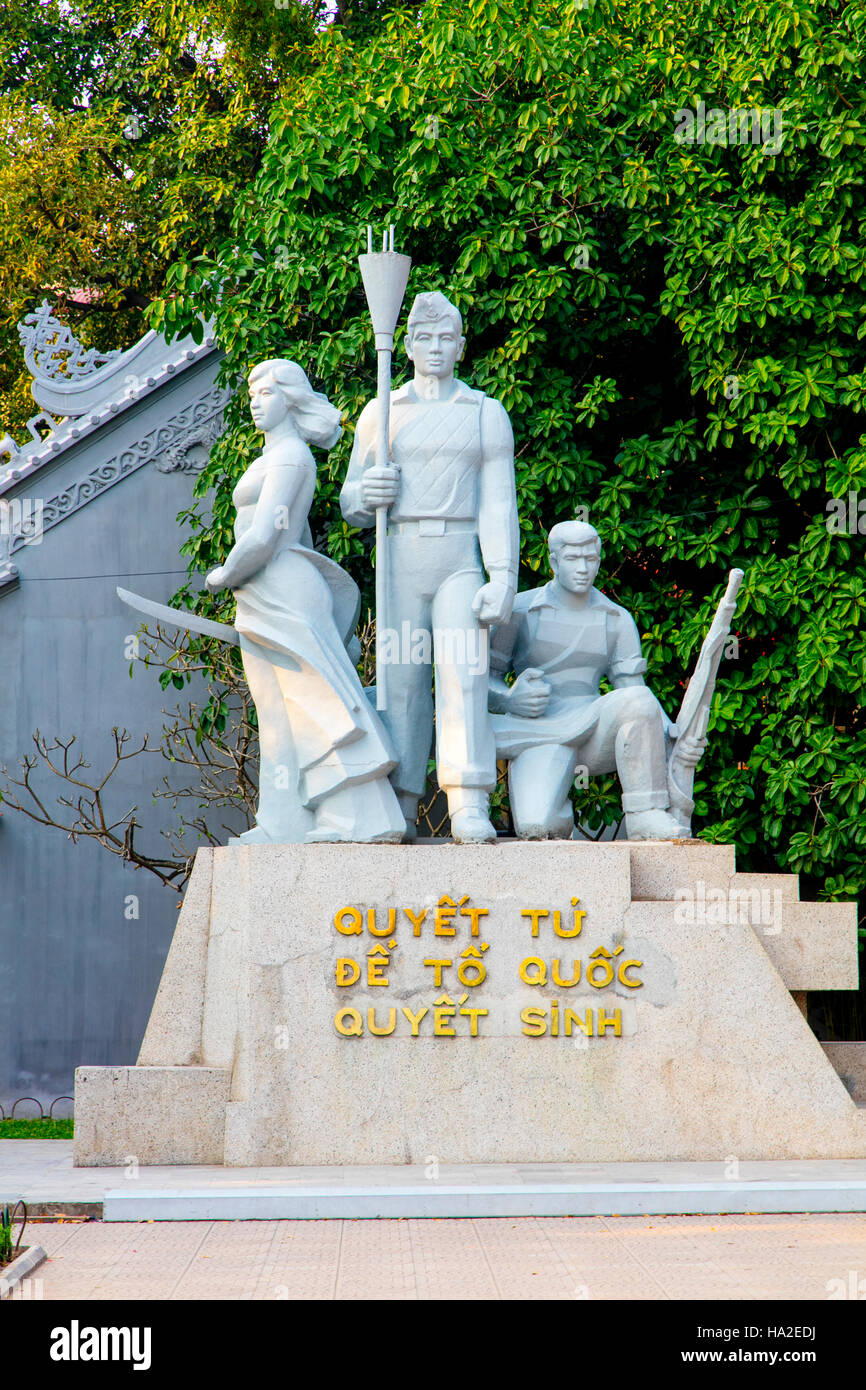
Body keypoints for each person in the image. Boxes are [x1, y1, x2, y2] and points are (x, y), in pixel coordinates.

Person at [340, 291, 519, 843]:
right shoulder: (382, 410)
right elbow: (348, 500)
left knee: (464, 676)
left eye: (446, 338)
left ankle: (468, 801)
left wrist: (503, 574)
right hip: (400, 554)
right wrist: (368, 492)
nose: (435, 348)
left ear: (461, 346)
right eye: (424, 338)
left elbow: (497, 500)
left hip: (459, 556)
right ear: (409, 345)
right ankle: (401, 799)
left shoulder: (485, 412)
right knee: (400, 680)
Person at [206, 358, 404, 844]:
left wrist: (225, 573)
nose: (255, 403)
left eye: (267, 393)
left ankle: (358, 816)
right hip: (263, 590)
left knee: (315, 702)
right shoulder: (270, 457)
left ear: (291, 400)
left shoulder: (292, 457)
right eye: (252, 394)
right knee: (275, 715)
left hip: (281, 587)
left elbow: (266, 536)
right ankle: (283, 822)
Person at [488, 519, 702, 841]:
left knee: (639, 701)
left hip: (592, 729)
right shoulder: (520, 611)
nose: (583, 568)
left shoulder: (616, 619)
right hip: (536, 731)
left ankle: (645, 813)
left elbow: (634, 694)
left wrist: (675, 734)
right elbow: (482, 681)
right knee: (537, 827)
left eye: (591, 559)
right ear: (553, 562)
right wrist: (509, 699)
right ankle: (556, 809)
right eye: (573, 558)